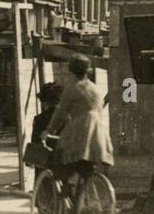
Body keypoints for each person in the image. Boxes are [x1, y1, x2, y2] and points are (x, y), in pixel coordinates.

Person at [42, 54, 113, 189]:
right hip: (98, 132)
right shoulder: (95, 88)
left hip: (80, 130)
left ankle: (67, 188)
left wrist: (48, 130)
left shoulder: (72, 88)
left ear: (71, 70)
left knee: (61, 156)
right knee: (85, 165)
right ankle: (79, 190)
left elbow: (60, 112)